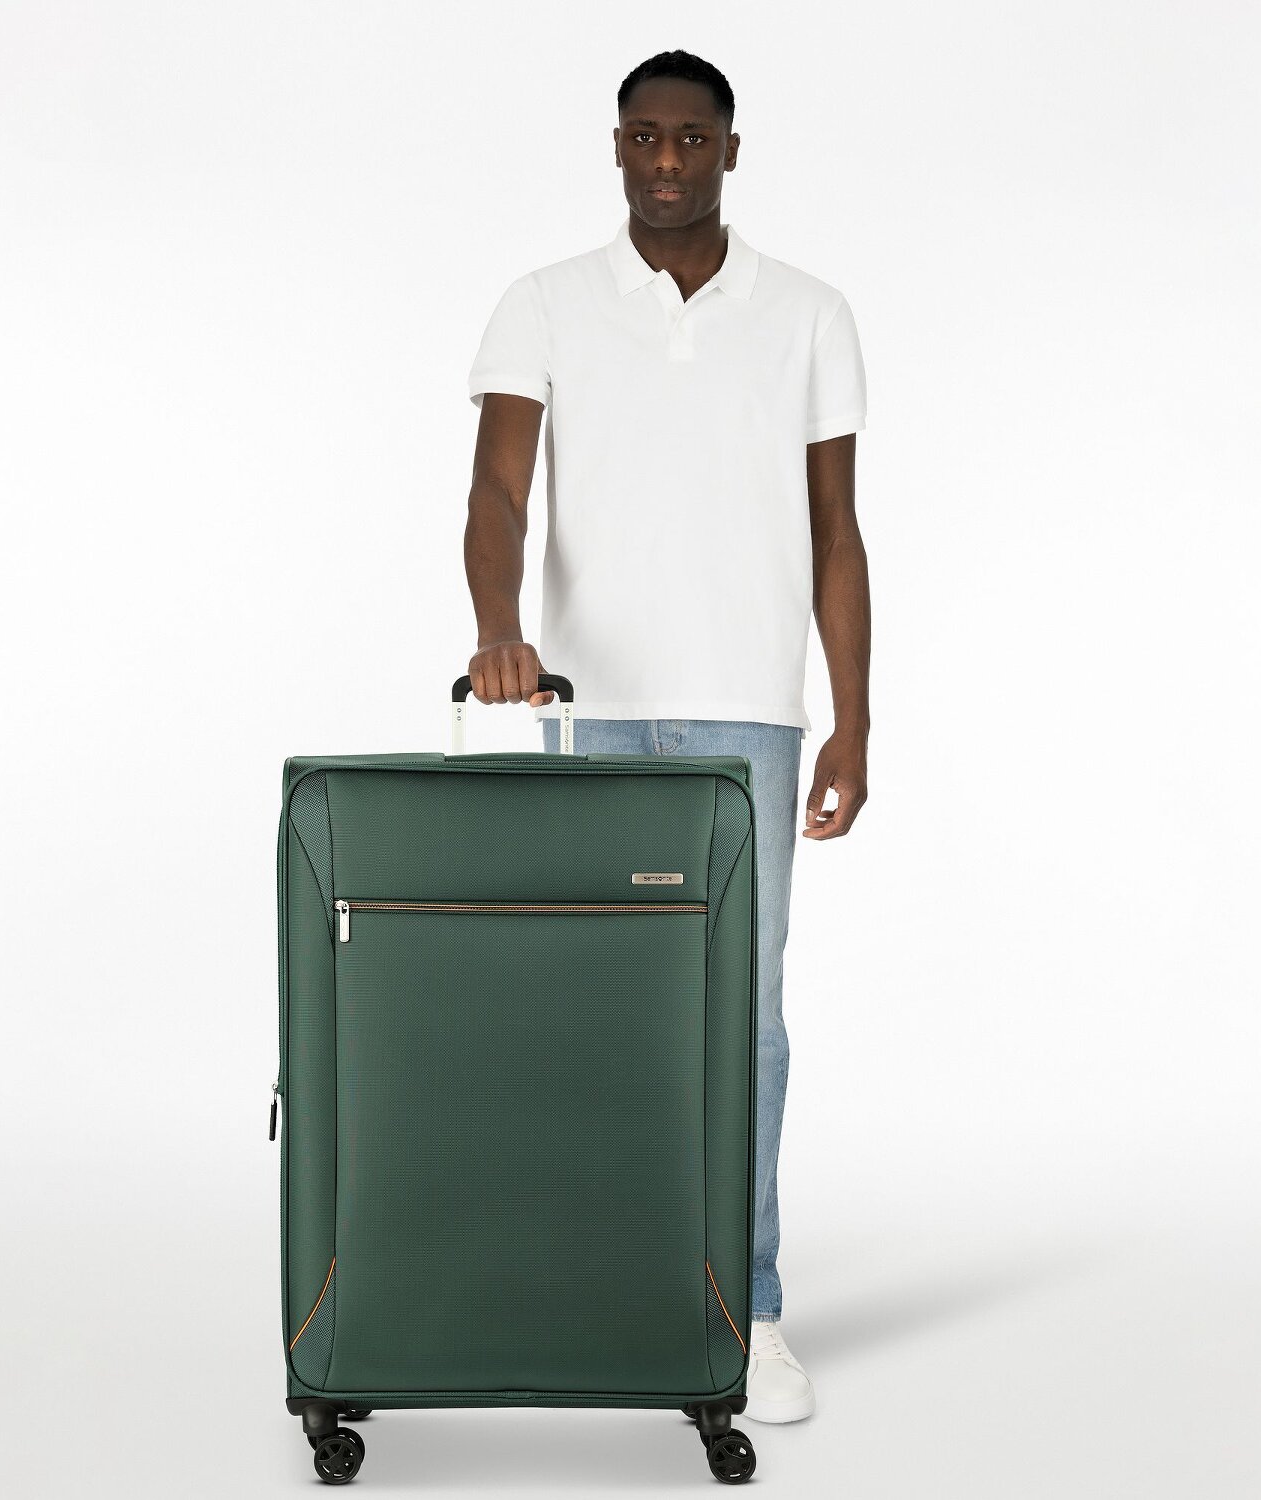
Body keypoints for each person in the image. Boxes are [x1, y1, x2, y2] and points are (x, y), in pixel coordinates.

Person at [462, 49, 870, 1426]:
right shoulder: (545, 302)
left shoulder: (808, 314)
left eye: (693, 140)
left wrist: (853, 717)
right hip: (592, 706)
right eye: (645, 138)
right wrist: (499, 629)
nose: (668, 163)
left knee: (742, 1022)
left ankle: (744, 1309)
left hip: (750, 710)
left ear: (730, 151)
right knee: (599, 1006)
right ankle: (606, 1285)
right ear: (618, 146)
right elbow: (498, 494)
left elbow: (836, 532)